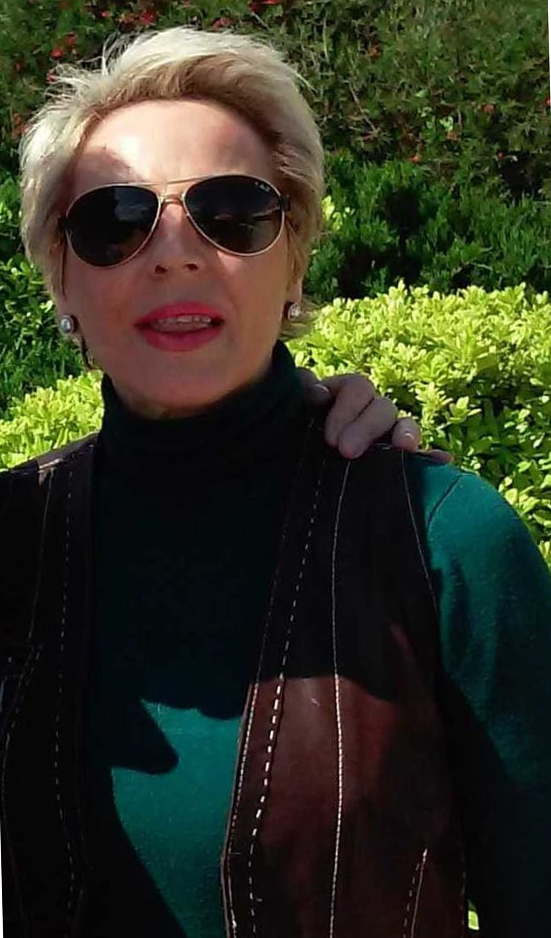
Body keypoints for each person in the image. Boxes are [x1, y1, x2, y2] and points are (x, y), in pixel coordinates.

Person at [2, 23, 550, 938]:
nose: (174, 254)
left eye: (232, 212)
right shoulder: (15, 540)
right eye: (115, 222)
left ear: (295, 254)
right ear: (59, 278)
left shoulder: (442, 543)